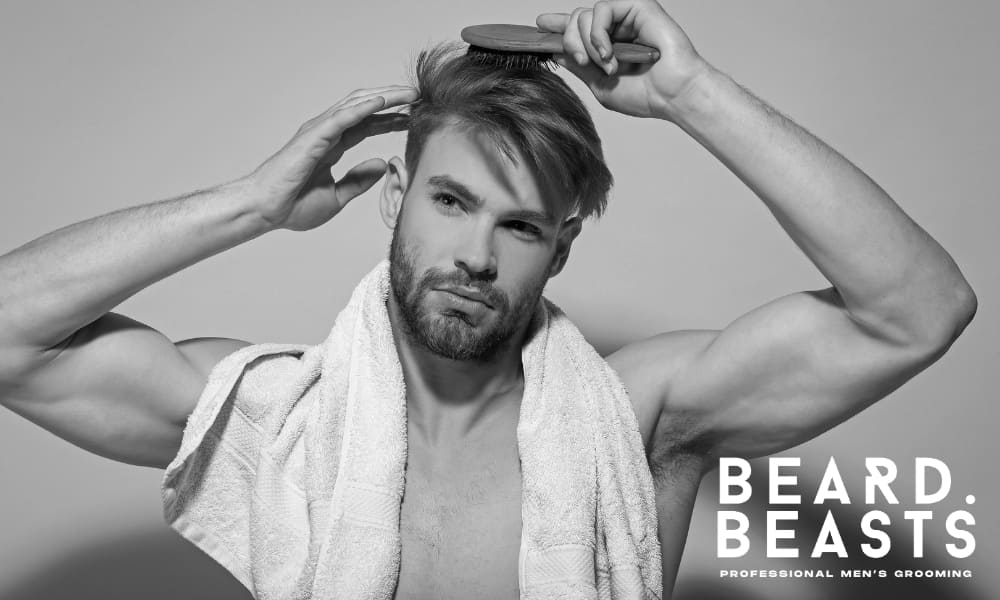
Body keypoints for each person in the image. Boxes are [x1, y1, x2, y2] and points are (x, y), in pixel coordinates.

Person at [0, 1, 976, 598]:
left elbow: (916, 310)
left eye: (516, 224)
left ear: (559, 249)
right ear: (395, 200)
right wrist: (248, 205)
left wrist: (691, 95)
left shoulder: (641, 422)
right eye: (452, 201)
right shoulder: (274, 421)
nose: (472, 254)